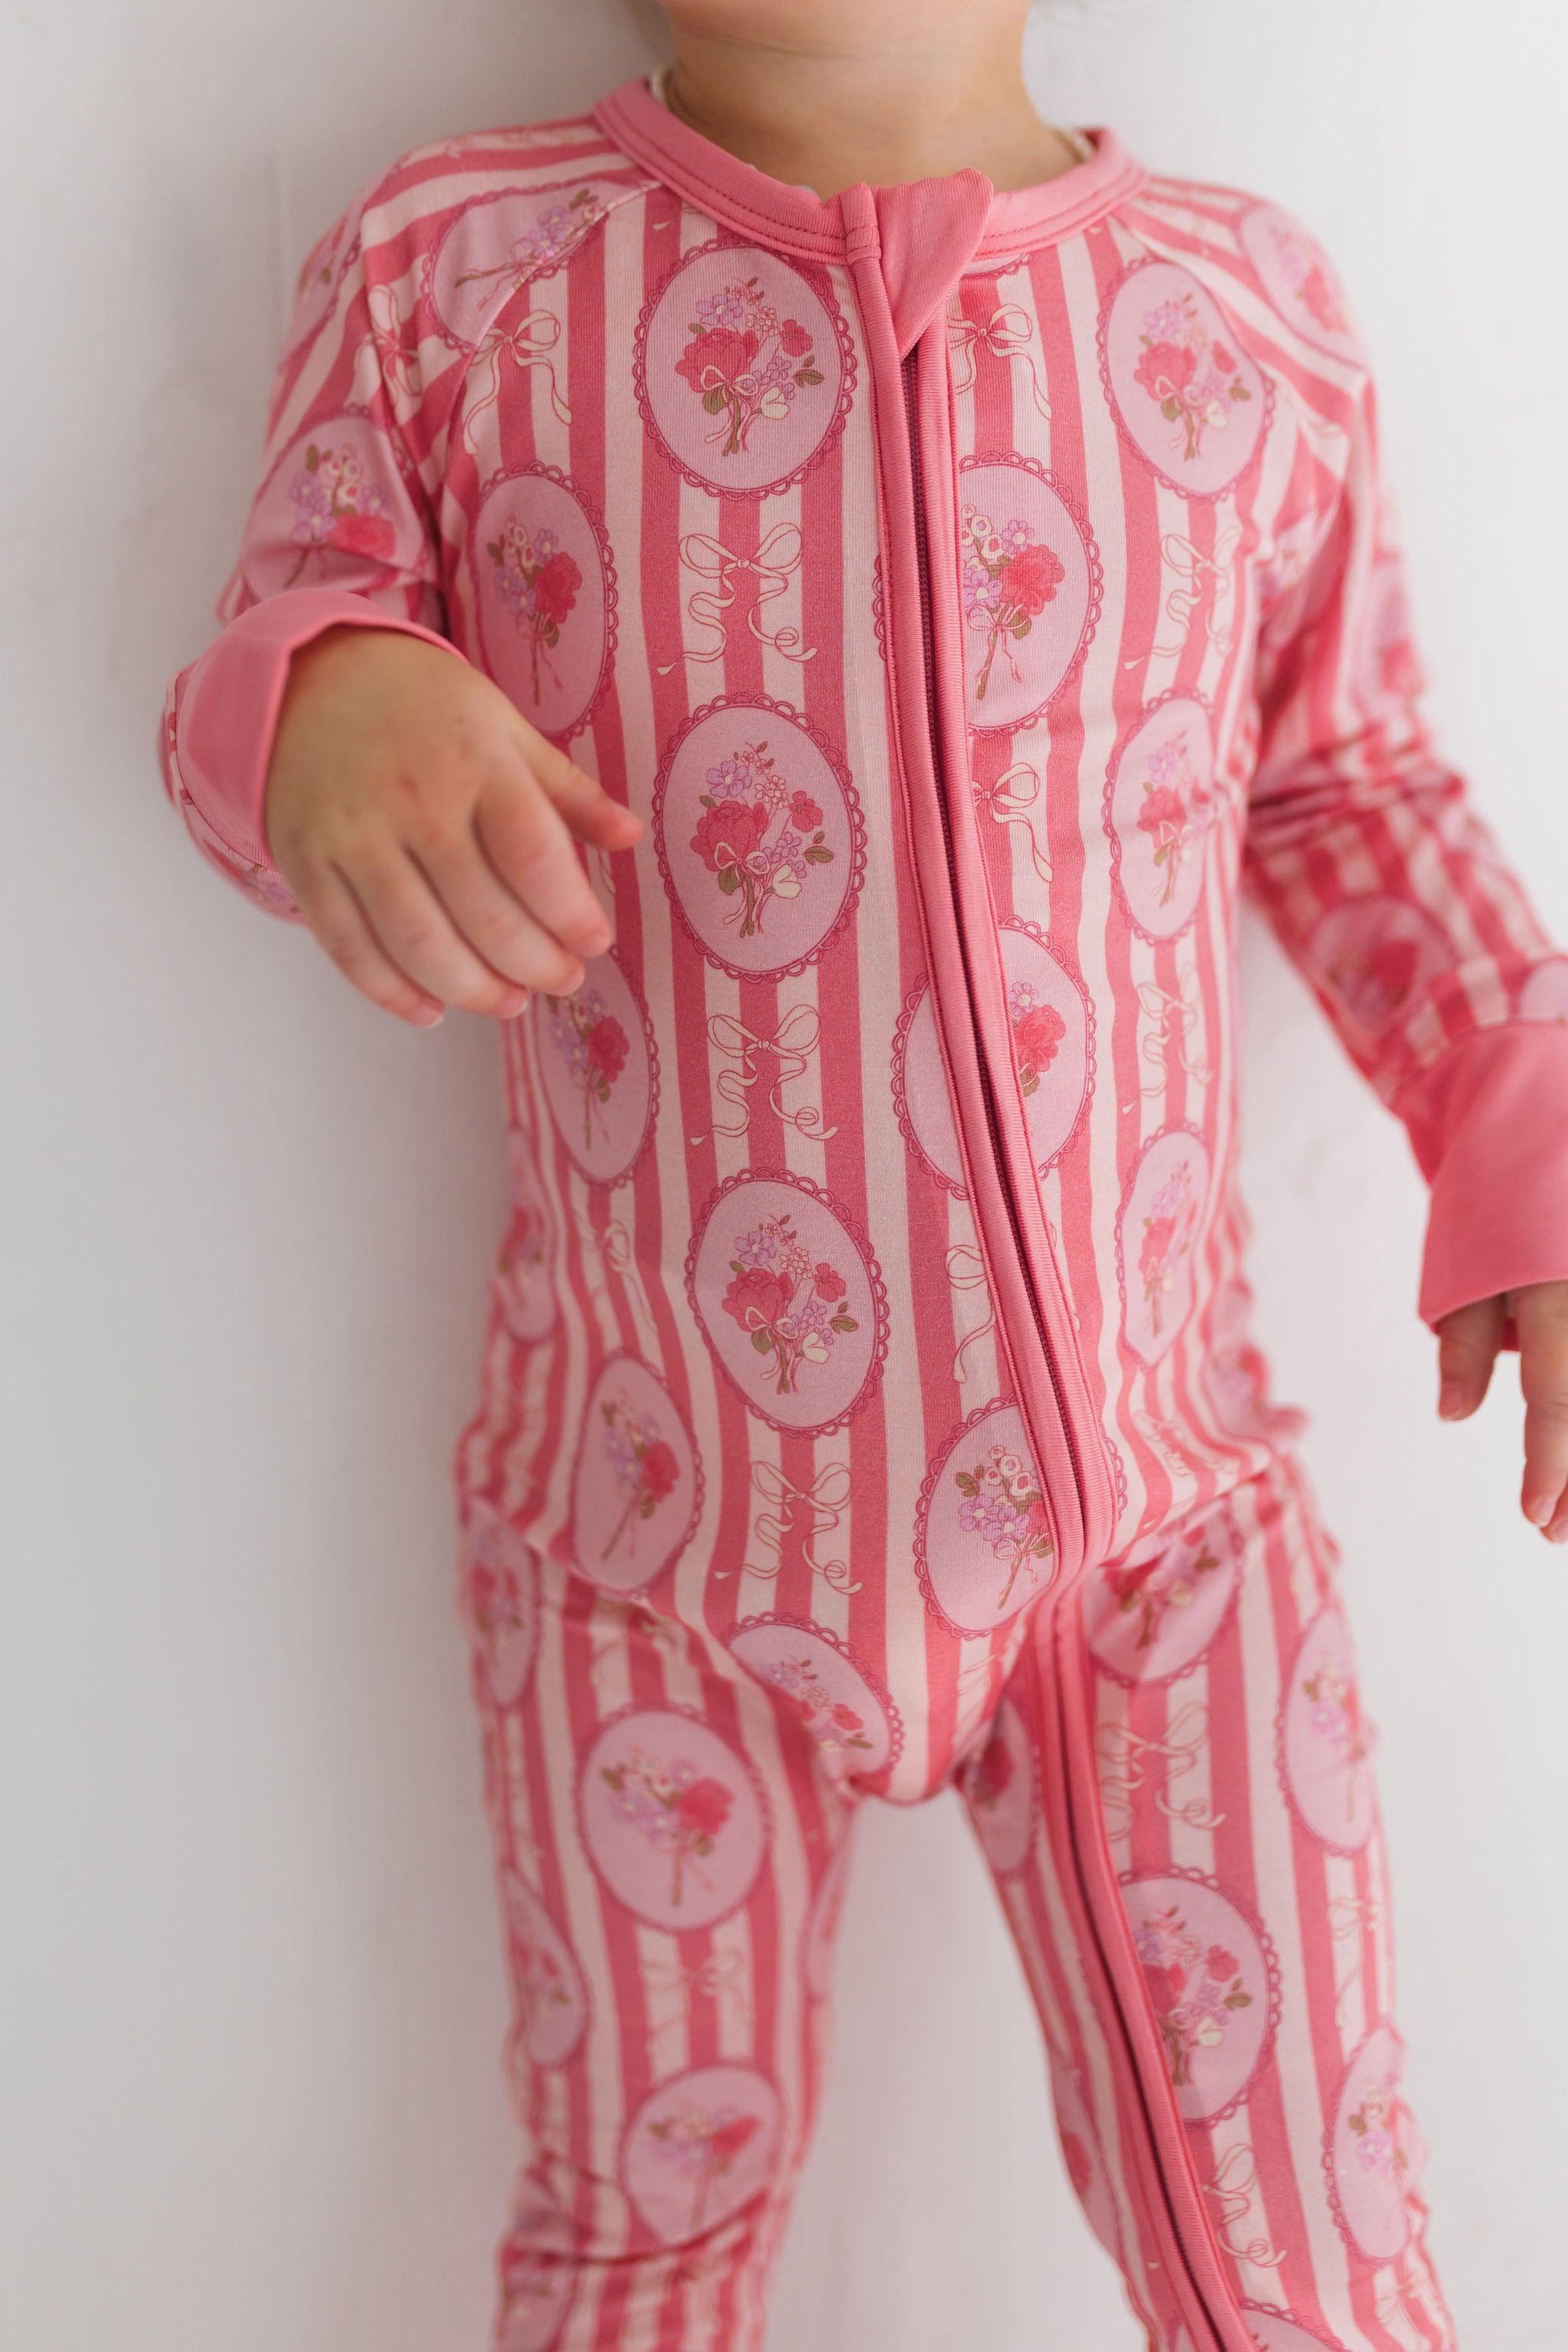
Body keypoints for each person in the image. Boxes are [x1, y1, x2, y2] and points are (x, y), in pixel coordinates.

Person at [158, 5, 1568, 2346]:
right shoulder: (458, 273)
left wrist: (1527, 1131)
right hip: (642, 1535)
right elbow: (262, 678)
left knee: (1302, 2272)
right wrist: (319, 690)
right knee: (642, 2234)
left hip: (1160, 1548)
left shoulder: (1242, 313)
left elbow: (1347, 781)